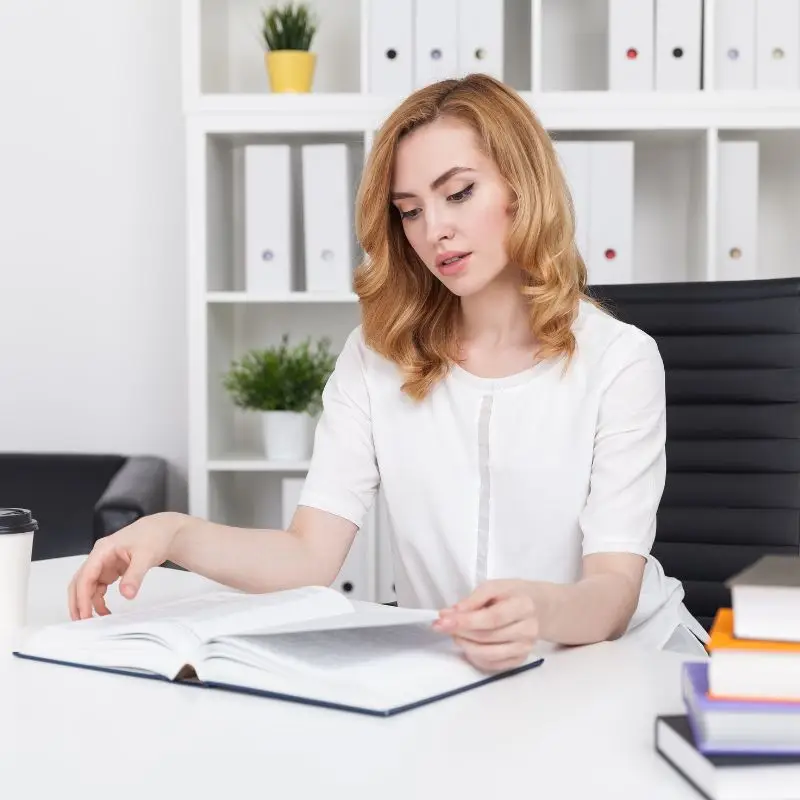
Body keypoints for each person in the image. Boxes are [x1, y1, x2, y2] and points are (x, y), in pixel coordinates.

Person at [68, 73, 709, 670]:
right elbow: (307, 558)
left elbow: (612, 592)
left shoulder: (619, 360)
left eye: (459, 193)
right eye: (409, 210)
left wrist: (537, 609)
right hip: (465, 670)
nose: (436, 230)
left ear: (523, 187)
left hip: (620, 662)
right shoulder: (377, 357)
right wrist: (174, 531)